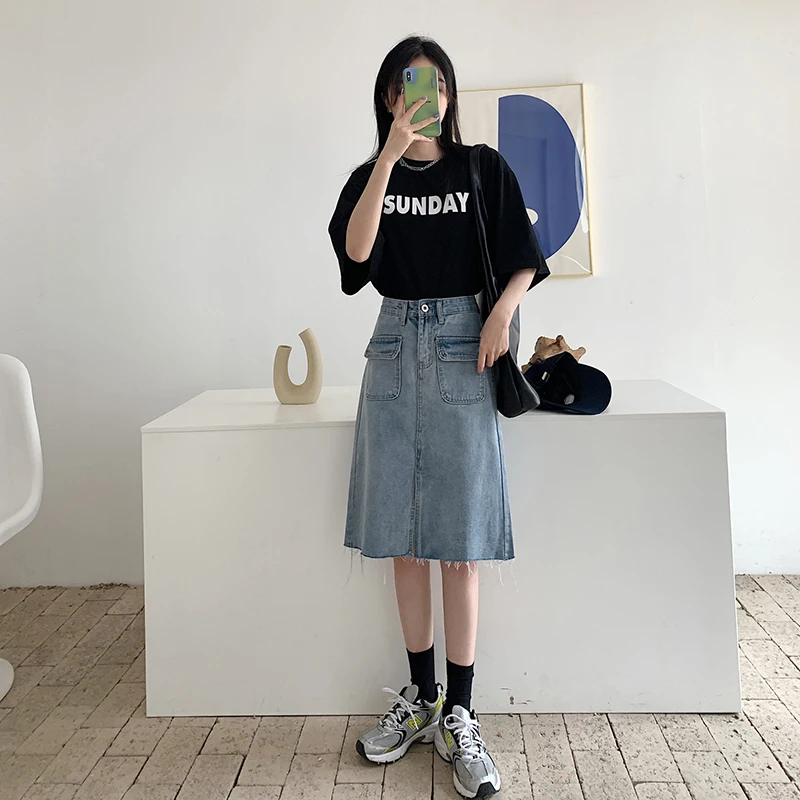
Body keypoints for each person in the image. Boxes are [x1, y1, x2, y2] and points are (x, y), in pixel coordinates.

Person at [328, 34, 549, 799]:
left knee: (459, 546)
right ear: (389, 98)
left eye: (435, 85)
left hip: (465, 348)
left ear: (450, 95)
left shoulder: (481, 168)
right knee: (402, 540)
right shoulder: (371, 177)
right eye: (406, 86)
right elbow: (356, 262)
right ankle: (420, 698)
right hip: (393, 348)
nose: (422, 98)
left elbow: (524, 257)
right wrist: (389, 158)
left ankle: (461, 710)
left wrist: (501, 316)